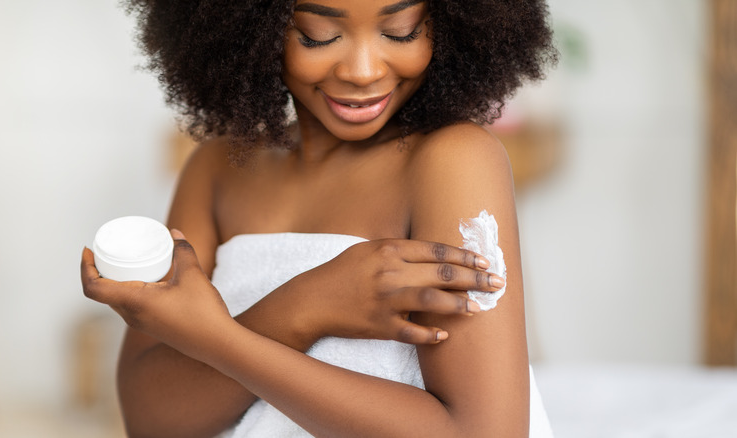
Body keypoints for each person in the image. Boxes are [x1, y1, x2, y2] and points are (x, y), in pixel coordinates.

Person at [81, 0, 558, 436]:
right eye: (317, 36)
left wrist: (213, 336)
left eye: (400, 32)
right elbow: (151, 420)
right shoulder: (218, 170)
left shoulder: (452, 160)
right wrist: (305, 304)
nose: (363, 71)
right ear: (256, 29)